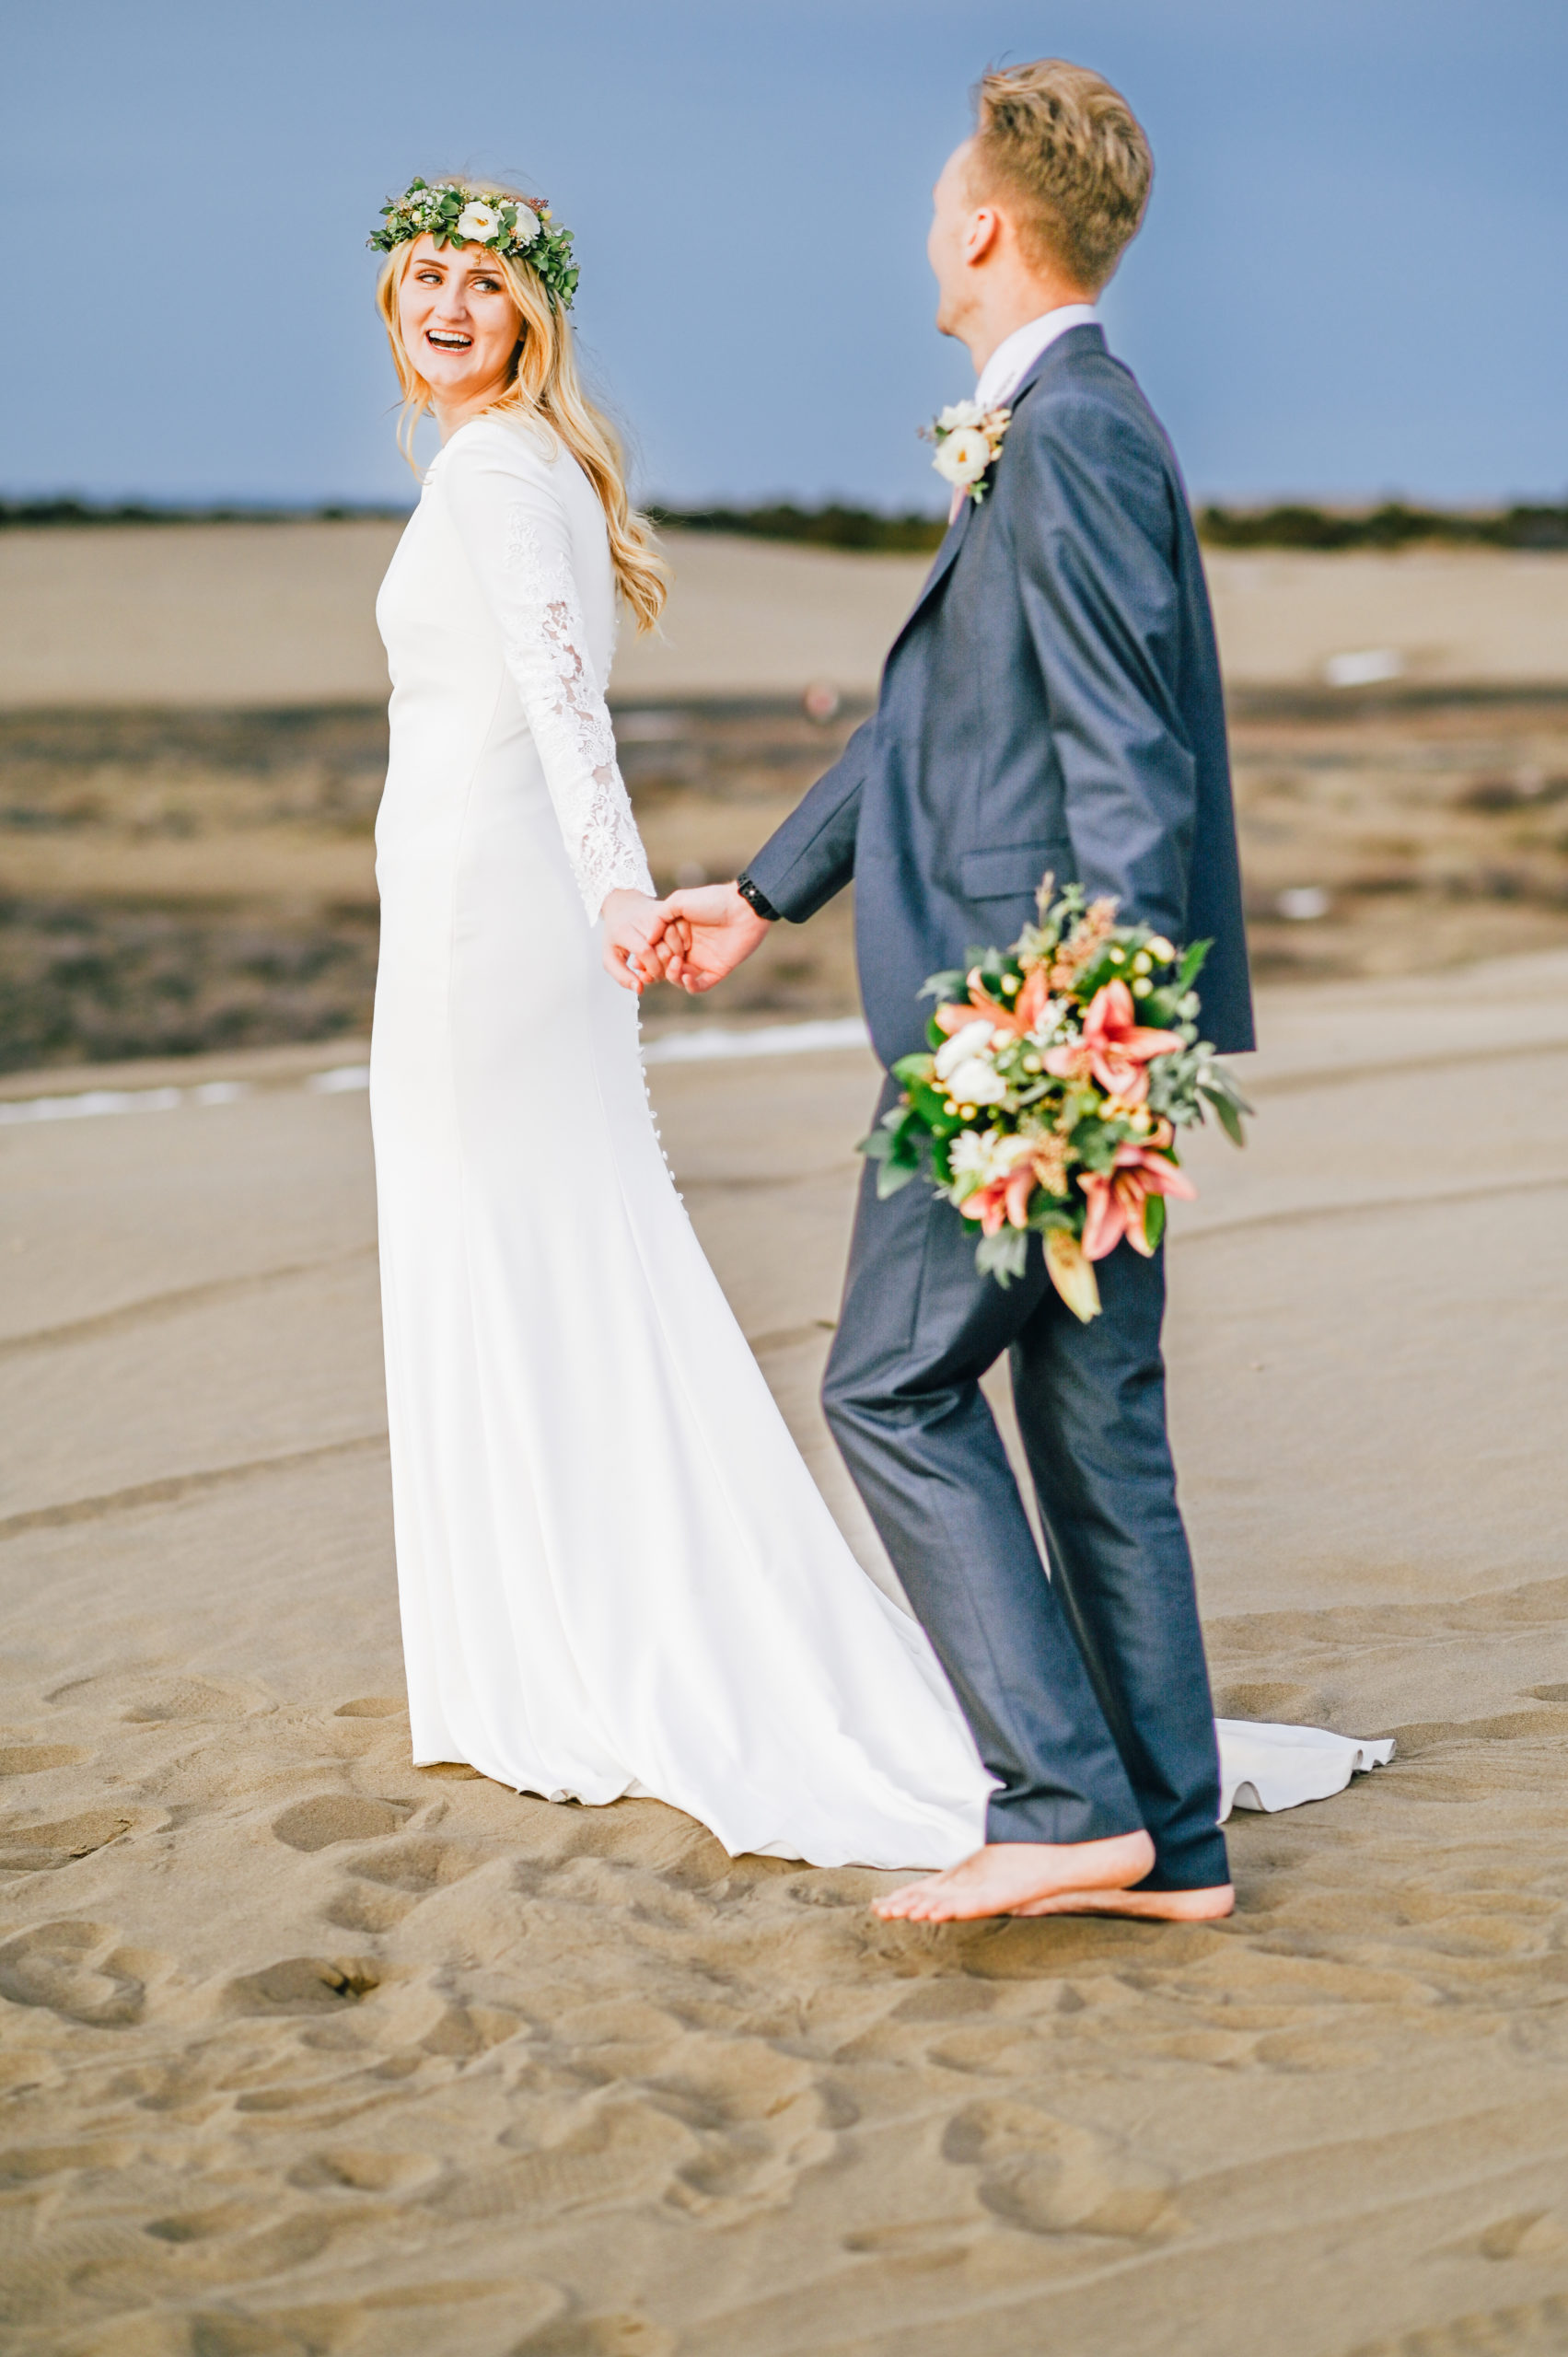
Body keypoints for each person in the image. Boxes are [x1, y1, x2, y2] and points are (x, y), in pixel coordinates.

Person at [653, 62, 1258, 1923]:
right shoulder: (1074, 416)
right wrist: (765, 889)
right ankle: (1174, 1836)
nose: (928, 229)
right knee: (1094, 1417)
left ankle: (1062, 1792)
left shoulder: (1065, 432)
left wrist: (1085, 1044)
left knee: (889, 1385)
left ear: (988, 223)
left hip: (1027, 1025)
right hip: (1082, 1016)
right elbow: (942, 723)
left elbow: (1126, 755)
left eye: (939, 203)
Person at [366, 171, 1001, 1870]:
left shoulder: (504, 469)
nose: (448, 305)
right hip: (471, 920)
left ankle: (548, 1653)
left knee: (513, 1250)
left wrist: (618, 891)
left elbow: (566, 702)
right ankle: (535, 1634)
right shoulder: (519, 466)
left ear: (531, 316)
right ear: (393, 297)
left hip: (489, 933)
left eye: (484, 284)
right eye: (426, 274)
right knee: (535, 1250)